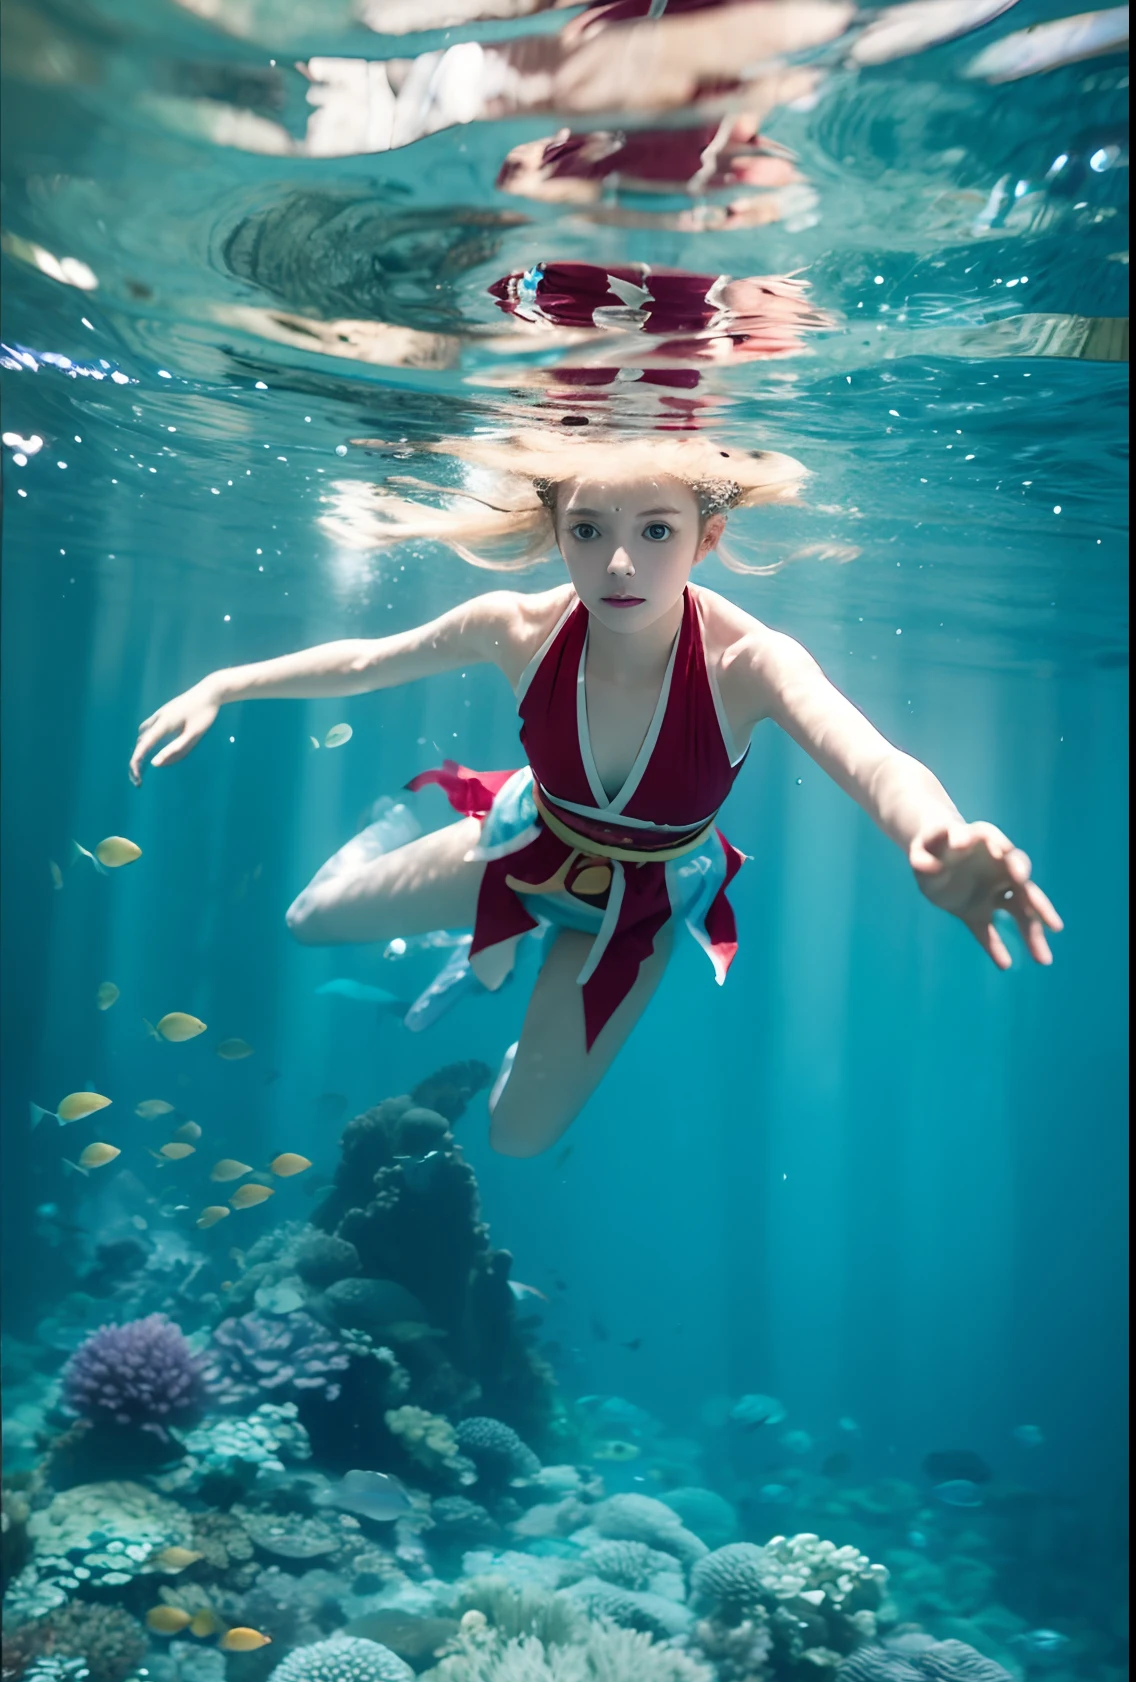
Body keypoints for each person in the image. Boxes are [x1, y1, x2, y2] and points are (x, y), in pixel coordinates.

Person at [128, 430, 1062, 1157]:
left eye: (657, 530)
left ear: (710, 536)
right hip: (519, 843)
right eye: (589, 531)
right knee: (305, 922)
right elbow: (369, 661)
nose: (620, 564)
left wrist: (933, 836)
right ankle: (397, 853)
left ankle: (492, 966)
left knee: (516, 1138)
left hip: (638, 909)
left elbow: (874, 759)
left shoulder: (751, 663)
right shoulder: (516, 626)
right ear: (555, 531)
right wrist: (225, 684)